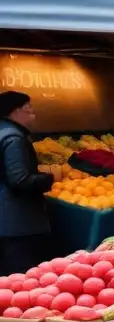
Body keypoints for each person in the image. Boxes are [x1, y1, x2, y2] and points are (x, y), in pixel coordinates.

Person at [0, 91, 54, 274]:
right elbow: (20, 180)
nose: (33, 112)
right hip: (17, 222)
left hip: (6, 221)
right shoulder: (13, 139)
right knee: (23, 275)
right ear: (14, 111)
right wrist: (48, 178)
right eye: (28, 108)